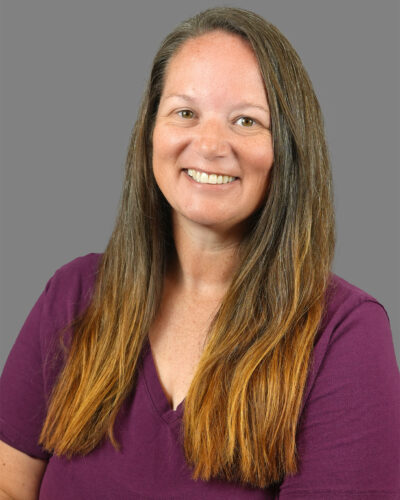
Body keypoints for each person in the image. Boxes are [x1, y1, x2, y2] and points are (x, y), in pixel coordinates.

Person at [0, 6, 399, 499]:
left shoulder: (345, 336)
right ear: (151, 131)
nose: (210, 144)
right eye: (185, 112)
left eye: (246, 121)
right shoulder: (73, 294)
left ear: (289, 149)